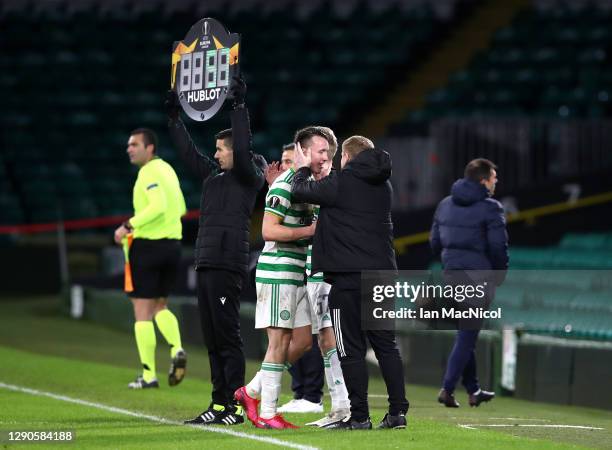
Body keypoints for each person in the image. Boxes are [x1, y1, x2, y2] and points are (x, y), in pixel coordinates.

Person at [165, 77, 266, 425]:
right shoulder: (213, 178)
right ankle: (217, 402)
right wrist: (174, 120)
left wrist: (239, 107)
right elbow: (188, 153)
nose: (216, 152)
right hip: (207, 262)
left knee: (227, 336)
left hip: (227, 264)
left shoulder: (246, 177)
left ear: (235, 152)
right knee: (211, 338)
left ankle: (233, 406)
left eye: (221, 148)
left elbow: (242, 142)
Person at [291, 135, 409, 430]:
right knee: (386, 346)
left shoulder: (340, 182)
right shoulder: (385, 185)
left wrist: (303, 167)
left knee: (350, 349)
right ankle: (397, 413)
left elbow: (298, 191)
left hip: (347, 280)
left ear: (346, 156)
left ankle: (359, 416)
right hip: (382, 276)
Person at [234, 126, 334, 429]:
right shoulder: (283, 186)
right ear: (303, 152)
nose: (325, 158)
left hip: (297, 273)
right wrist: (310, 232)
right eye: (320, 152)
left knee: (303, 341)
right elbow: (268, 231)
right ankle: (267, 413)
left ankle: (250, 392)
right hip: (278, 272)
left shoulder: (308, 188)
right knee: (278, 343)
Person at [430, 158, 508, 408]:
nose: (496, 182)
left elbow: (434, 242)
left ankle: (474, 390)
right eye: (494, 177)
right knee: (467, 336)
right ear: (484, 180)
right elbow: (498, 245)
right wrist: (500, 272)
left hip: (452, 276)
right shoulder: (491, 208)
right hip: (479, 278)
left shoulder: (444, 204)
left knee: (467, 332)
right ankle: (447, 388)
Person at [114, 128, 187, 390]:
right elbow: (180, 208)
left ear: (150, 148)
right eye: (128, 145)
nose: (129, 149)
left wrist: (127, 225)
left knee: (142, 313)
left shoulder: (148, 172)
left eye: (135, 144)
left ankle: (148, 375)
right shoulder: (168, 170)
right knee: (161, 306)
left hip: (147, 247)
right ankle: (177, 348)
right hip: (173, 246)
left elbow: (157, 206)